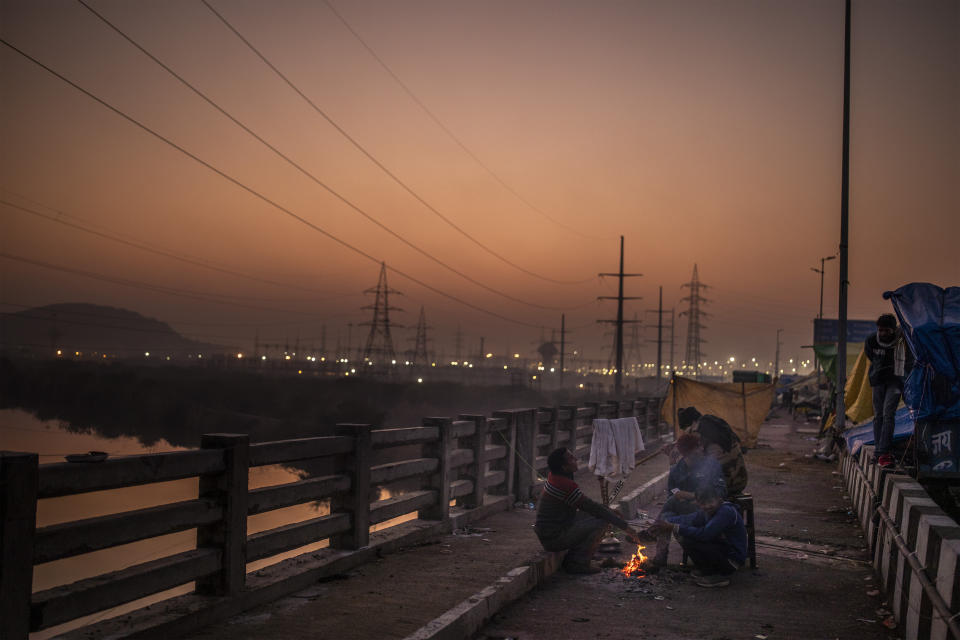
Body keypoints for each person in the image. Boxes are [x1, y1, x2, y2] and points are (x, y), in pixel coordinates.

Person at [535, 447, 642, 574]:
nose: (575, 459)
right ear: (564, 467)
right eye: (571, 458)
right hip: (553, 538)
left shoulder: (558, 476)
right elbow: (592, 508)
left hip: (556, 528)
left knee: (599, 515)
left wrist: (608, 511)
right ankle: (577, 563)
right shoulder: (564, 484)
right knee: (601, 522)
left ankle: (584, 553)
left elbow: (590, 506)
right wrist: (626, 527)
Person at [649, 432, 726, 568]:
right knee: (668, 513)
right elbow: (672, 493)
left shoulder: (711, 465)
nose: (701, 449)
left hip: (706, 509)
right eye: (697, 447)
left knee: (667, 515)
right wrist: (681, 498)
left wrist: (693, 496)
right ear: (687, 453)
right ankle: (660, 557)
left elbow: (721, 491)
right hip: (685, 510)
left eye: (701, 446)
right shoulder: (676, 470)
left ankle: (652, 532)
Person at [650, 485, 747, 588]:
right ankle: (707, 570)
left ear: (719, 500)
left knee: (689, 537)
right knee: (682, 532)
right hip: (723, 550)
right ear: (698, 503)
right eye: (703, 503)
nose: (707, 506)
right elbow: (688, 519)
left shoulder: (726, 512)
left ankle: (719, 576)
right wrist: (665, 522)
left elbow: (705, 534)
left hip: (732, 560)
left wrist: (674, 526)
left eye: (710, 502)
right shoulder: (705, 512)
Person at [865, 313, 913, 468]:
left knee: (888, 414)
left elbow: (909, 360)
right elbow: (870, 356)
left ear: (893, 330)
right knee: (878, 415)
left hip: (895, 381)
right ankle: (879, 450)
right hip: (878, 381)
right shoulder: (872, 341)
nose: (883, 334)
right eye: (881, 330)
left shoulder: (902, 340)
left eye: (886, 331)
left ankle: (883, 451)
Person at [677, 406, 748, 495]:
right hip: (741, 481)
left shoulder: (698, 431)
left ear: (692, 424)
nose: (686, 433)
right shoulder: (713, 424)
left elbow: (692, 460)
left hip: (726, 485)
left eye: (685, 429)